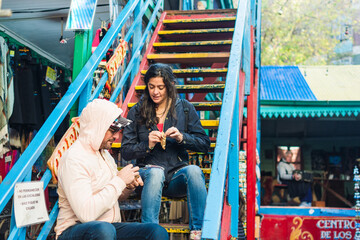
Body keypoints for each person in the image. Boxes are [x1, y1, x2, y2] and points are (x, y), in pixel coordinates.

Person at [55, 99, 169, 240]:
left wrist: (128, 186)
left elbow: (115, 196)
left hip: (108, 227)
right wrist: (119, 180)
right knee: (104, 230)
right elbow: (86, 214)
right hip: (74, 229)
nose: (116, 136)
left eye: (118, 131)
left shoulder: (105, 155)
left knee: (156, 232)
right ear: (97, 126)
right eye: (112, 130)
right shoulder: (74, 158)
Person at [121, 63, 210, 240]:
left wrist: (182, 138)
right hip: (148, 178)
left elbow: (204, 144)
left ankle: (198, 232)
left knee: (194, 170)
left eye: (161, 87)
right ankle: (150, 232)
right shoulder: (137, 111)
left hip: (176, 176)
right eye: (151, 87)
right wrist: (147, 144)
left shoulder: (184, 108)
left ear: (169, 86)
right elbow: (126, 151)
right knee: (155, 172)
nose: (156, 92)